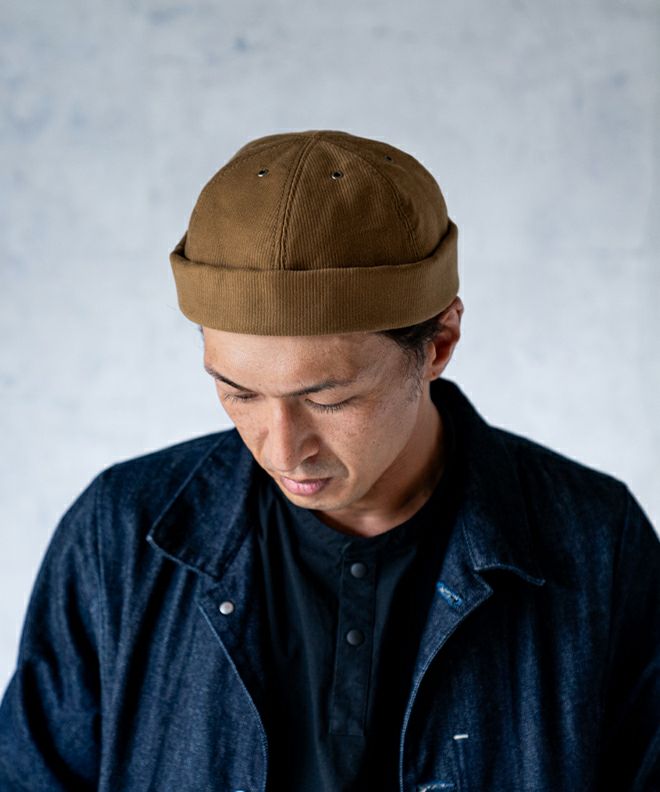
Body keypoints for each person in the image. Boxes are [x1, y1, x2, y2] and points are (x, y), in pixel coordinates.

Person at [0, 129, 658, 792]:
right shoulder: (120, 533)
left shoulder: (596, 541)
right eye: (239, 393)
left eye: (329, 398)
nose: (282, 450)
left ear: (439, 342)